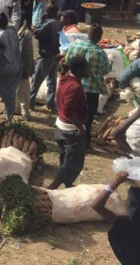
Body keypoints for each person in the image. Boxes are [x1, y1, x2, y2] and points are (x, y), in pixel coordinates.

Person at [64, 24, 112, 147]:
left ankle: (68, 139)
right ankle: (85, 143)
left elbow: (67, 60)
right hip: (91, 90)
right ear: (99, 37)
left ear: (88, 35)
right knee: (87, 118)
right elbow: (106, 70)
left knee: (71, 113)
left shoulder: (74, 46)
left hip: (73, 85)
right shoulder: (100, 53)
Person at [48, 56, 89, 189]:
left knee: (65, 159)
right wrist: (81, 128)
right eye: (86, 67)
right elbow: (67, 110)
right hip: (70, 130)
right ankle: (52, 187)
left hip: (60, 126)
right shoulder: (75, 87)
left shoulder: (65, 78)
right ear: (78, 69)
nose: (88, 69)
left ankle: (68, 183)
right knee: (73, 162)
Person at [30, 3, 63, 112]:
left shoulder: (48, 24)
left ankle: (30, 102)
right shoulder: (59, 23)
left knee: (36, 81)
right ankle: (51, 104)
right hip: (55, 55)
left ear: (48, 12)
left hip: (46, 56)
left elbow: (37, 34)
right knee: (52, 81)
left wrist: (40, 21)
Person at [17, 24, 35, 120]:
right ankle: (18, 110)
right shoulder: (19, 32)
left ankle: (25, 113)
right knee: (18, 90)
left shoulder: (25, 34)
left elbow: (27, 54)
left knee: (23, 91)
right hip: (17, 67)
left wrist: (26, 69)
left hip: (23, 68)